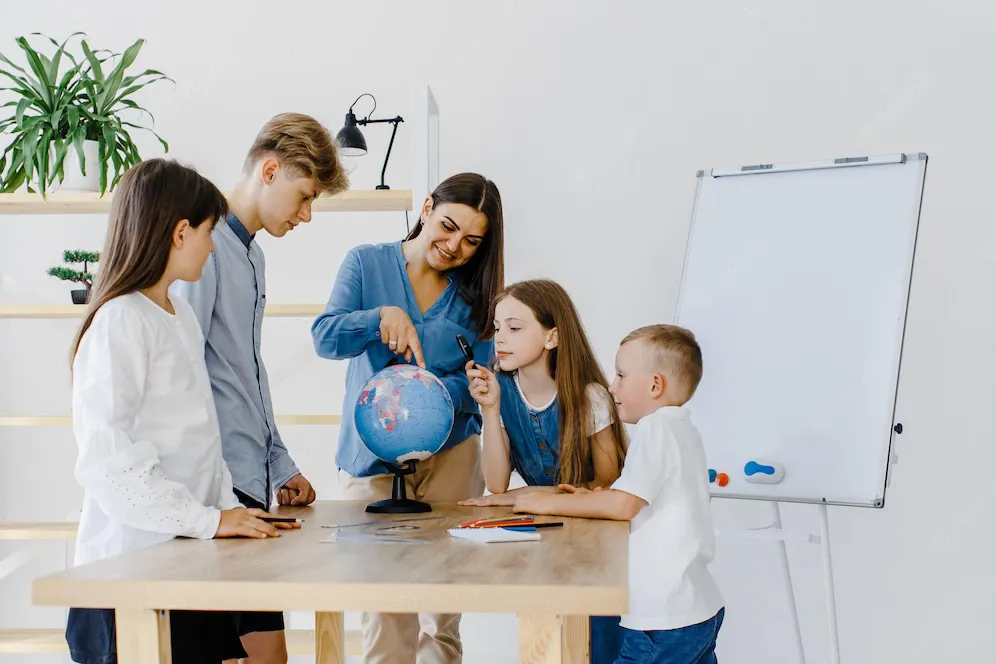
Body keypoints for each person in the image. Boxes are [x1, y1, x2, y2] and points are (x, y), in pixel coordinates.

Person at [66, 159, 300, 664]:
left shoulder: (179, 315)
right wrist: (207, 519)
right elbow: (109, 460)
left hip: (184, 556)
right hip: (129, 572)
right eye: (209, 232)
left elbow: (202, 440)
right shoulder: (120, 320)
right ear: (180, 232)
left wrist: (227, 516)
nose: (212, 246)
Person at [172, 113, 348, 662]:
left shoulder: (253, 254)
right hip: (216, 491)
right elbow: (186, 374)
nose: (307, 215)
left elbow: (246, 371)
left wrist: (280, 460)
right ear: (269, 170)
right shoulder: (202, 247)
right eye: (304, 197)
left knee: (272, 654)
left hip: (250, 484)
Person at [311, 172, 504, 664]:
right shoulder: (365, 262)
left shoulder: (475, 294)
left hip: (452, 458)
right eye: (447, 225)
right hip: (372, 459)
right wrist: (379, 318)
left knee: (442, 608)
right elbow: (325, 338)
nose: (454, 246)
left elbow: (481, 375)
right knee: (385, 606)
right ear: (425, 208)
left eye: (472, 240)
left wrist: (439, 392)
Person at [513, 324, 726, 664]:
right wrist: (584, 497)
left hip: (662, 620)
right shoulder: (683, 430)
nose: (612, 387)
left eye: (621, 376)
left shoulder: (655, 428)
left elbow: (625, 504)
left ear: (655, 385)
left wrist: (550, 501)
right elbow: (637, 494)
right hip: (697, 610)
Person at [457, 278, 628, 663]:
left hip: (593, 539)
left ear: (552, 338)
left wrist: (525, 496)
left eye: (515, 328)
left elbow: (607, 485)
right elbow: (497, 483)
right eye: (498, 328)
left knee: (598, 643)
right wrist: (490, 409)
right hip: (540, 533)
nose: (500, 338)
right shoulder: (502, 389)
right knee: (544, 641)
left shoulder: (589, 397)